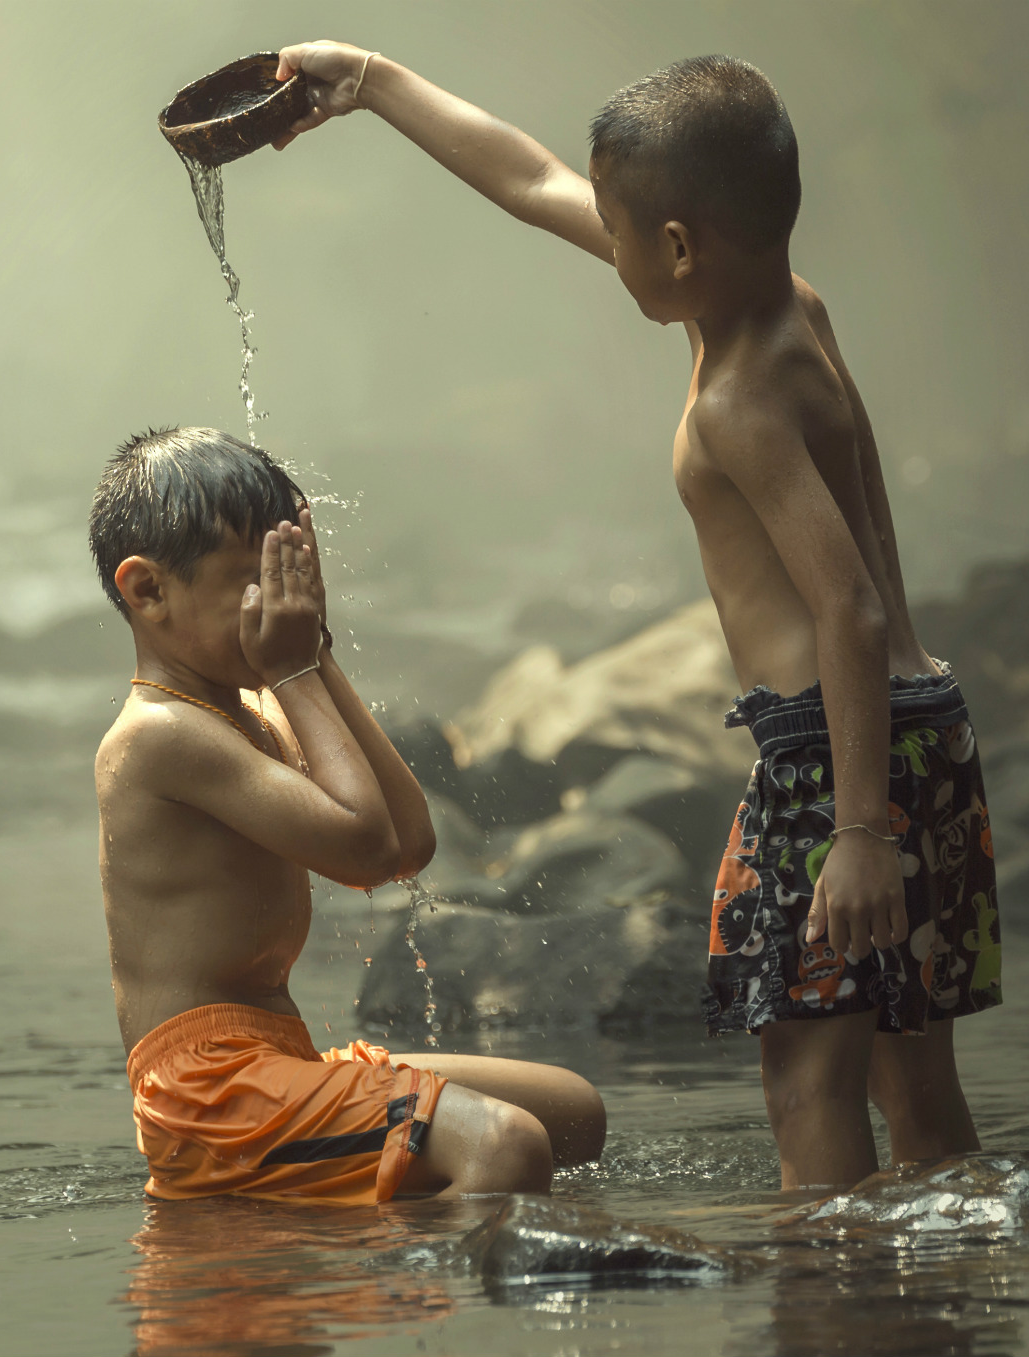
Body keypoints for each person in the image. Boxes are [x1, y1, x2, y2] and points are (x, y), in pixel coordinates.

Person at [269, 43, 1000, 1189]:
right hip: (925, 732)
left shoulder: (736, 403)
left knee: (807, 1080)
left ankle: (829, 1308)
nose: (596, 240)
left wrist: (857, 836)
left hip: (834, 762)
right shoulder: (786, 306)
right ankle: (942, 1301)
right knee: (915, 1083)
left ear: (674, 248)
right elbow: (530, 181)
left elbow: (847, 607)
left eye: (614, 231)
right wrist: (372, 82)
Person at [91, 426, 605, 1202]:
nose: (277, 604)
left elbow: (408, 844)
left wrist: (315, 653)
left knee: (573, 1115)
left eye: (288, 579)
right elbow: (363, 852)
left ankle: (355, 1215)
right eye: (250, 581)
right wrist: (294, 666)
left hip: (275, 1059)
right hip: (207, 1094)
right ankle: (387, 1279)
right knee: (507, 1148)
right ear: (147, 590)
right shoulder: (161, 736)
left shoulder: (255, 706)